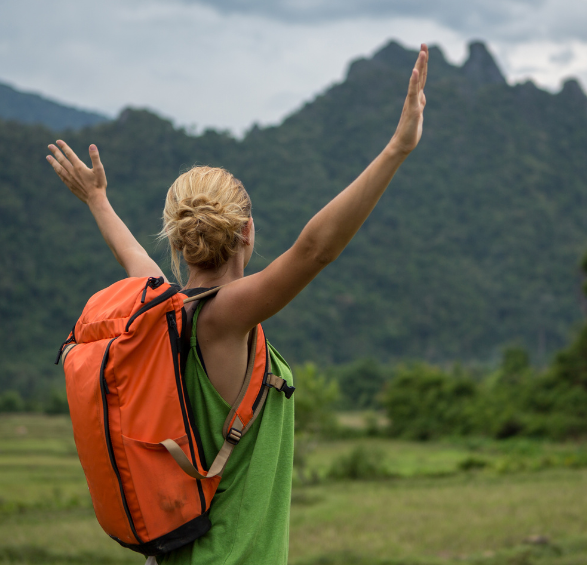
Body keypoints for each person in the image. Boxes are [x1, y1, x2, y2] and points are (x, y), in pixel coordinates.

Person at [45, 44, 429, 564]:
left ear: (177, 243)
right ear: (248, 232)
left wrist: (98, 200)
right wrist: (396, 150)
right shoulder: (223, 321)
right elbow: (315, 250)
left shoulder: (167, 314)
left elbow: (133, 257)